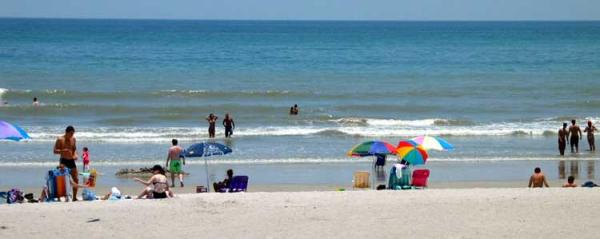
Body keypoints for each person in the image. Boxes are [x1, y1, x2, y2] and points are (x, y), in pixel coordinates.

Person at [53, 126, 79, 201]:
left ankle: (74, 197)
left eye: (73, 134)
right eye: (70, 133)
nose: (72, 135)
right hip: (63, 161)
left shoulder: (73, 139)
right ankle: (60, 197)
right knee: (62, 180)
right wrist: (63, 151)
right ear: (66, 132)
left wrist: (75, 155)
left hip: (71, 161)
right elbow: (54, 151)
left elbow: (74, 149)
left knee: (76, 179)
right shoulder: (60, 139)